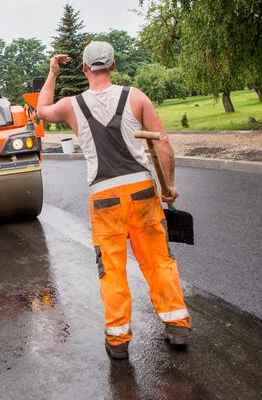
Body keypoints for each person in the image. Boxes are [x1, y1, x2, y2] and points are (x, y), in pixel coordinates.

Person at [36, 41, 191, 361]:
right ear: (114, 66)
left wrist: (52, 71)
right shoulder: (135, 97)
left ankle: (118, 339)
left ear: (84, 69)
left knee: (112, 269)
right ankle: (176, 324)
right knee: (158, 260)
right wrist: (170, 187)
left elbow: (41, 110)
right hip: (143, 193)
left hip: (105, 199)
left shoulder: (71, 105)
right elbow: (163, 145)